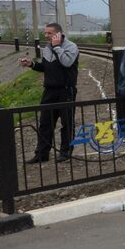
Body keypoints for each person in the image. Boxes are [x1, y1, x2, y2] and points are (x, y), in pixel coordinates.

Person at [20, 23, 80, 163]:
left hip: (66, 90)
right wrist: (32, 65)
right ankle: (42, 154)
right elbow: (47, 68)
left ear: (58, 34)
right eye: (45, 33)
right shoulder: (46, 48)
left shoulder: (71, 47)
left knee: (67, 123)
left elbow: (66, 63)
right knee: (45, 123)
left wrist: (57, 47)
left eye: (49, 33)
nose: (46, 35)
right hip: (49, 90)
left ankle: (65, 152)